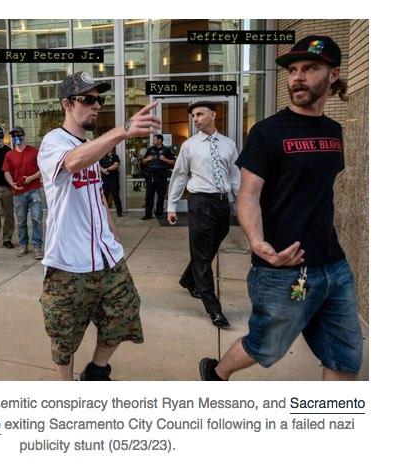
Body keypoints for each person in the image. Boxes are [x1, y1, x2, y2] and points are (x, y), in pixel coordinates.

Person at [199, 35, 363, 382]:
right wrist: (257, 243)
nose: (297, 77)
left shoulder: (335, 132)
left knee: (345, 357)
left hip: (334, 265)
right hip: (282, 267)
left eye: (309, 68)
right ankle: (215, 373)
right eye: (292, 70)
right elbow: (248, 195)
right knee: (265, 347)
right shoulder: (267, 132)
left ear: (333, 74)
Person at [37, 71, 161, 381]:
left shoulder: (91, 144)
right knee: (64, 333)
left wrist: (113, 232)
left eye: (99, 100)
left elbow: (96, 193)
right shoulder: (54, 142)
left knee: (125, 311)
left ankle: (96, 369)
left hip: (106, 256)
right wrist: (122, 131)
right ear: (67, 104)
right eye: (89, 100)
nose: (96, 106)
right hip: (68, 262)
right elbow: (71, 163)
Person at [167, 102, 240, 329]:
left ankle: (189, 279)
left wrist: (239, 201)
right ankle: (214, 308)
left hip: (221, 204)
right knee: (201, 254)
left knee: (208, 249)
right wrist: (172, 205)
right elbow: (179, 175)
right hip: (200, 202)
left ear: (213, 115)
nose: (195, 118)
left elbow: (234, 174)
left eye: (200, 114)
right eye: (193, 115)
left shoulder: (228, 144)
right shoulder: (190, 145)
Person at [2, 126, 44, 260]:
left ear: (23, 136)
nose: (16, 138)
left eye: (18, 135)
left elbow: (42, 169)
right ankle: (23, 245)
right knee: (21, 221)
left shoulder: (34, 151)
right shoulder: (9, 154)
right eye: (13, 136)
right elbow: (6, 171)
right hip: (18, 192)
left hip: (34, 190)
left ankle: (37, 247)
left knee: (37, 219)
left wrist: (30, 178)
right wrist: (11, 183)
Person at [141, 134, 174, 220]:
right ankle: (148, 214)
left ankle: (159, 214)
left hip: (161, 177)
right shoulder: (150, 149)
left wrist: (165, 159)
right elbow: (143, 162)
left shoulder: (166, 150)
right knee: (149, 197)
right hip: (151, 177)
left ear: (160, 140)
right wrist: (146, 159)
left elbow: (173, 162)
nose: (153, 141)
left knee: (161, 196)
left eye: (154, 139)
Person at [99, 147, 123, 217]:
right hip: (104, 179)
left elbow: (116, 165)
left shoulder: (115, 156)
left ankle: (119, 212)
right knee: (104, 196)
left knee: (115, 195)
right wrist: (103, 170)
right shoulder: (102, 157)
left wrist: (107, 169)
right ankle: (104, 212)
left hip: (113, 179)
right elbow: (98, 165)